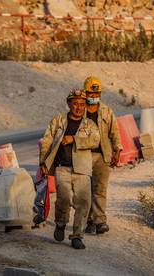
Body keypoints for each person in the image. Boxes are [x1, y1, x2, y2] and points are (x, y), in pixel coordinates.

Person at [39, 89, 100, 249]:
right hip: (62, 168)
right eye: (75, 104)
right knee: (63, 199)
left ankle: (77, 236)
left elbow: (95, 141)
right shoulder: (58, 121)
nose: (79, 107)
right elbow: (46, 140)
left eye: (82, 104)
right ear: (69, 104)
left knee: (83, 203)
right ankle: (60, 223)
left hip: (82, 169)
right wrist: (43, 162)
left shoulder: (90, 124)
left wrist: (75, 139)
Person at [83, 76, 123, 235]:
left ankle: (100, 222)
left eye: (97, 93)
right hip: (83, 157)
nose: (94, 97)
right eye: (91, 94)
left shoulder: (106, 111)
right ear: (85, 93)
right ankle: (88, 221)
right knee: (85, 192)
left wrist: (117, 150)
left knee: (99, 190)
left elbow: (115, 132)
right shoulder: (79, 110)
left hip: (102, 157)